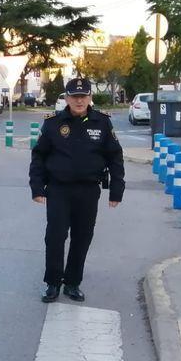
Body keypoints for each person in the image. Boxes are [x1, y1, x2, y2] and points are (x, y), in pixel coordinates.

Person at [29, 77, 125, 303]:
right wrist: (36, 187)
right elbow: (39, 156)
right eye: (74, 96)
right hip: (58, 189)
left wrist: (117, 190)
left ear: (90, 97)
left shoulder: (102, 122)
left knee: (82, 237)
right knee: (55, 236)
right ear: (67, 98)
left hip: (88, 190)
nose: (79, 101)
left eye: (83, 96)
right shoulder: (53, 123)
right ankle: (53, 282)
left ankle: (72, 283)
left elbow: (115, 157)